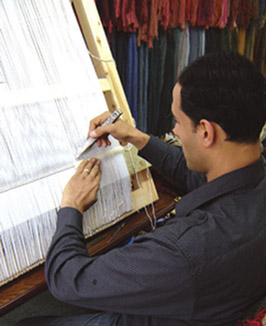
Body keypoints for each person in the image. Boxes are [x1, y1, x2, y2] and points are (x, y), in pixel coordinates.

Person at [17, 52, 266, 326]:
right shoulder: (253, 174)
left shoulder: (183, 251)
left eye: (178, 122)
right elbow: (194, 173)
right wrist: (137, 138)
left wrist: (71, 207)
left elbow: (67, 280)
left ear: (206, 132)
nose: (175, 131)